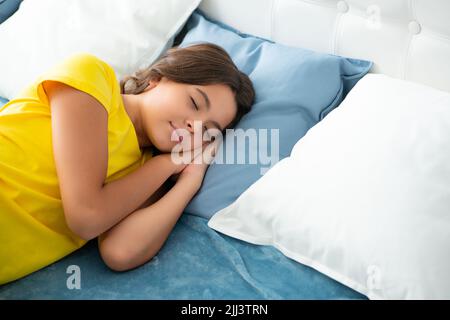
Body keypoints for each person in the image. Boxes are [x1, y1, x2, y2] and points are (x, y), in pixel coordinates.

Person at [0, 43, 255, 284]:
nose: (194, 126)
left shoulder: (145, 173)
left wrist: (189, 181)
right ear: (158, 78)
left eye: (207, 130)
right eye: (194, 102)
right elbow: (86, 217)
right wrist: (167, 164)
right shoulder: (92, 79)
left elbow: (121, 252)